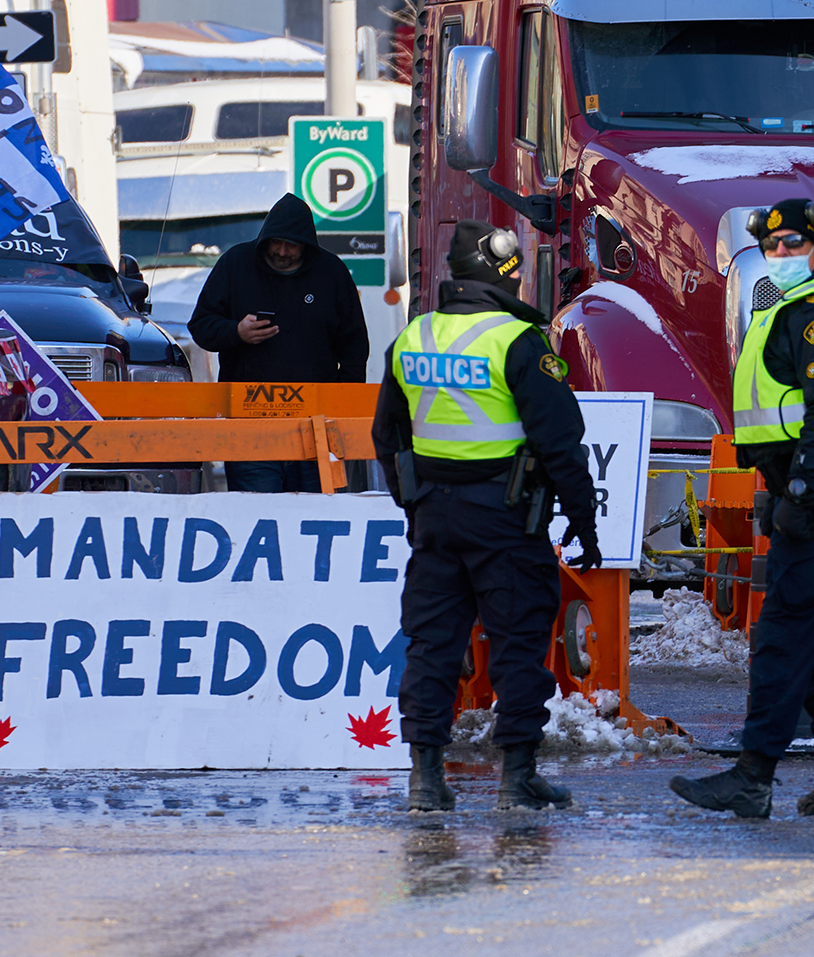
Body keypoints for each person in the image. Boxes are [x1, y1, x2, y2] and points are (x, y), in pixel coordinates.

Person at [670, 198, 814, 820]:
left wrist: (800, 489)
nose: (782, 255)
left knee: (783, 634)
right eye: (773, 247)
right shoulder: (794, 309)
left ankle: (753, 775)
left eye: (794, 244)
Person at [371, 220, 600, 812]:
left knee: (431, 645)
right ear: (505, 274)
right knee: (518, 644)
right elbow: (559, 442)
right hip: (505, 518)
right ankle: (516, 778)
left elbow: (388, 435)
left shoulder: (415, 337)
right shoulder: (518, 340)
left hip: (435, 521)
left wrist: (413, 502)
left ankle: (425, 779)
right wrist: (583, 518)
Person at [190, 193, 369, 491]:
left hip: (317, 428)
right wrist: (236, 332)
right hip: (250, 427)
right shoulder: (236, 264)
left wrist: (344, 409)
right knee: (256, 516)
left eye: (292, 245)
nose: (282, 251)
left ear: (307, 245)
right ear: (265, 237)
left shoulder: (331, 272)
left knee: (318, 520)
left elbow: (354, 347)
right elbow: (201, 325)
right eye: (276, 242)